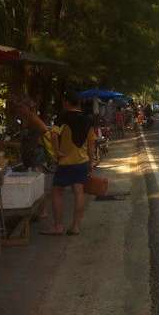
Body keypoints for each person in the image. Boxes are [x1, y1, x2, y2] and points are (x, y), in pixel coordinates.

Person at [42, 91, 96, 236]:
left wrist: (57, 151)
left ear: (66, 102)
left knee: (57, 192)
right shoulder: (88, 119)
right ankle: (76, 227)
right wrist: (91, 162)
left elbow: (54, 135)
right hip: (82, 161)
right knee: (79, 192)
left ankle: (58, 226)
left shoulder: (62, 117)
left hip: (65, 162)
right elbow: (91, 143)